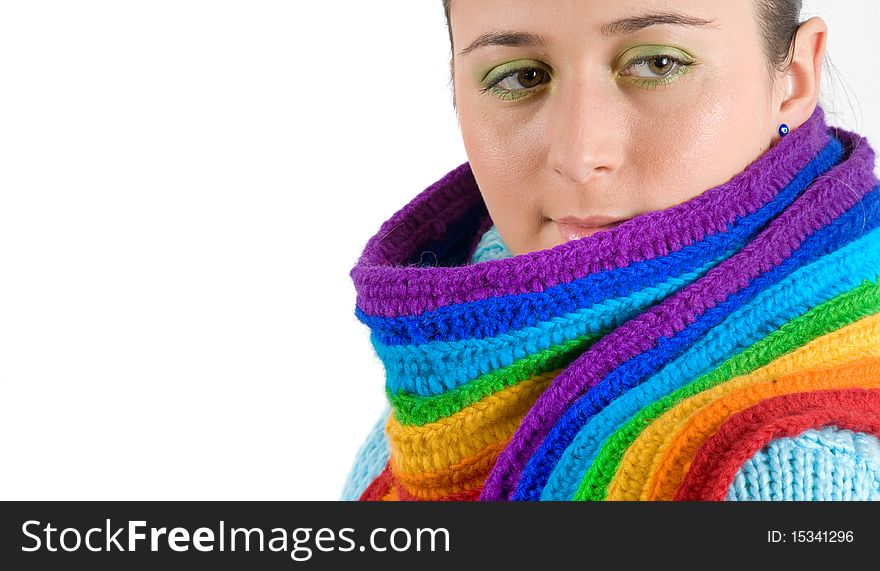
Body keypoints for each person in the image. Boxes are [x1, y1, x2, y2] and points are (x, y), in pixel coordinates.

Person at [342, 0, 880, 501]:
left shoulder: (791, 476)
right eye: (521, 75)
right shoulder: (439, 399)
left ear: (794, 79)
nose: (578, 155)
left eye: (658, 64)